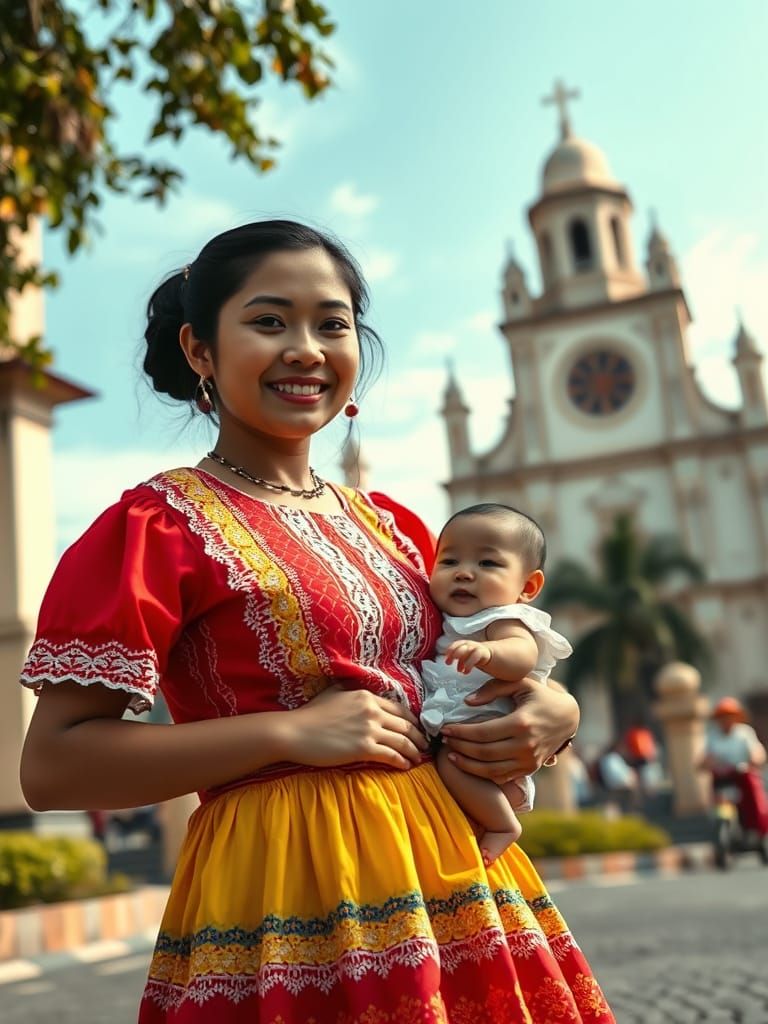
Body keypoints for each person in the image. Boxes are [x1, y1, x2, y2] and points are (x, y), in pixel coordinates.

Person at [19, 221, 614, 1023]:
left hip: (450, 883)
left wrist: (556, 712)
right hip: (281, 900)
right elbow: (53, 768)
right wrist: (287, 734)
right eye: (269, 321)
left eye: (332, 324)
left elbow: (480, 657)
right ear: (200, 350)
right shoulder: (154, 530)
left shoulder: (400, 529)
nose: (306, 348)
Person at [420, 503, 573, 865]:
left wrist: (488, 652)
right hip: (467, 716)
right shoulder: (457, 618)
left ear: (528, 586)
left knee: (452, 764)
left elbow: (522, 656)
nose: (464, 574)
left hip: (486, 718)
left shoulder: (502, 618)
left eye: (487, 564)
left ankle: (503, 825)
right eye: (449, 562)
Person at [700, 697, 768, 836]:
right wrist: (706, 763)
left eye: (729, 716)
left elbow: (756, 751)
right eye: (722, 717)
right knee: (718, 805)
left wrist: (755, 759)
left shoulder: (744, 733)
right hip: (723, 779)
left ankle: (759, 828)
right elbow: (705, 758)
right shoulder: (712, 736)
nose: (725, 720)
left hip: (742, 776)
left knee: (755, 798)